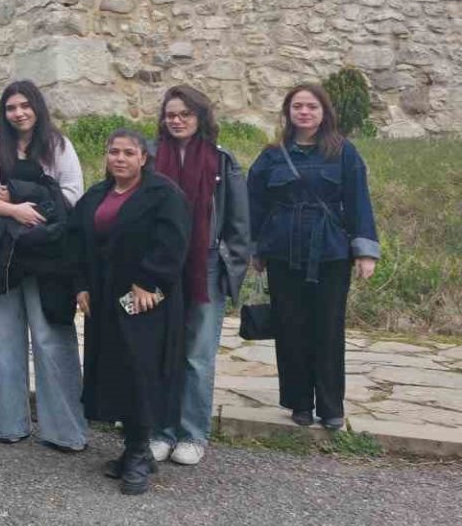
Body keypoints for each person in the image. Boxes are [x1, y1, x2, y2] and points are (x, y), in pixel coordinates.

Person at [247, 83, 380, 432]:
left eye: (311, 106)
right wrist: (255, 249)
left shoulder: (344, 152)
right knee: (290, 327)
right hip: (283, 252)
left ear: (324, 112)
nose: (304, 112)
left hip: (331, 252)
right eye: (297, 106)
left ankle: (331, 406)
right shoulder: (272, 155)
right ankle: (300, 403)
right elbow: (254, 204)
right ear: (288, 112)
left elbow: (358, 202)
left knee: (328, 328)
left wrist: (365, 253)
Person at [0, 81, 86, 451]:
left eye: (24, 105)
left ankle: (64, 430)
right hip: (4, 255)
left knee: (52, 340)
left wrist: (16, 191)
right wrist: (14, 209)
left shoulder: (59, 146)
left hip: (48, 256)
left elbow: (71, 198)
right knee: (2, 340)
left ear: (37, 107)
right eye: (11, 107)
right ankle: (6, 424)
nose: (18, 113)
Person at [74, 130, 191, 495]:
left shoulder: (163, 195)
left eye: (128, 152)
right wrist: (80, 285)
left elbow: (173, 242)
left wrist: (147, 281)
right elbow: (77, 241)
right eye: (114, 152)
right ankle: (130, 448)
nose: (120, 158)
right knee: (116, 371)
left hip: (145, 299)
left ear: (143, 157)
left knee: (141, 371)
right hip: (105, 298)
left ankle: (140, 452)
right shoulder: (97, 194)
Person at [152, 85, 252, 466]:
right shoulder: (149, 156)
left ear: (200, 117)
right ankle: (160, 431)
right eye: (171, 115)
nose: (177, 121)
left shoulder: (221, 162)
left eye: (185, 114)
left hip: (205, 265)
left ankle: (192, 434)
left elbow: (239, 224)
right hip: (159, 264)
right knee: (161, 349)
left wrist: (232, 269)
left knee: (197, 354)